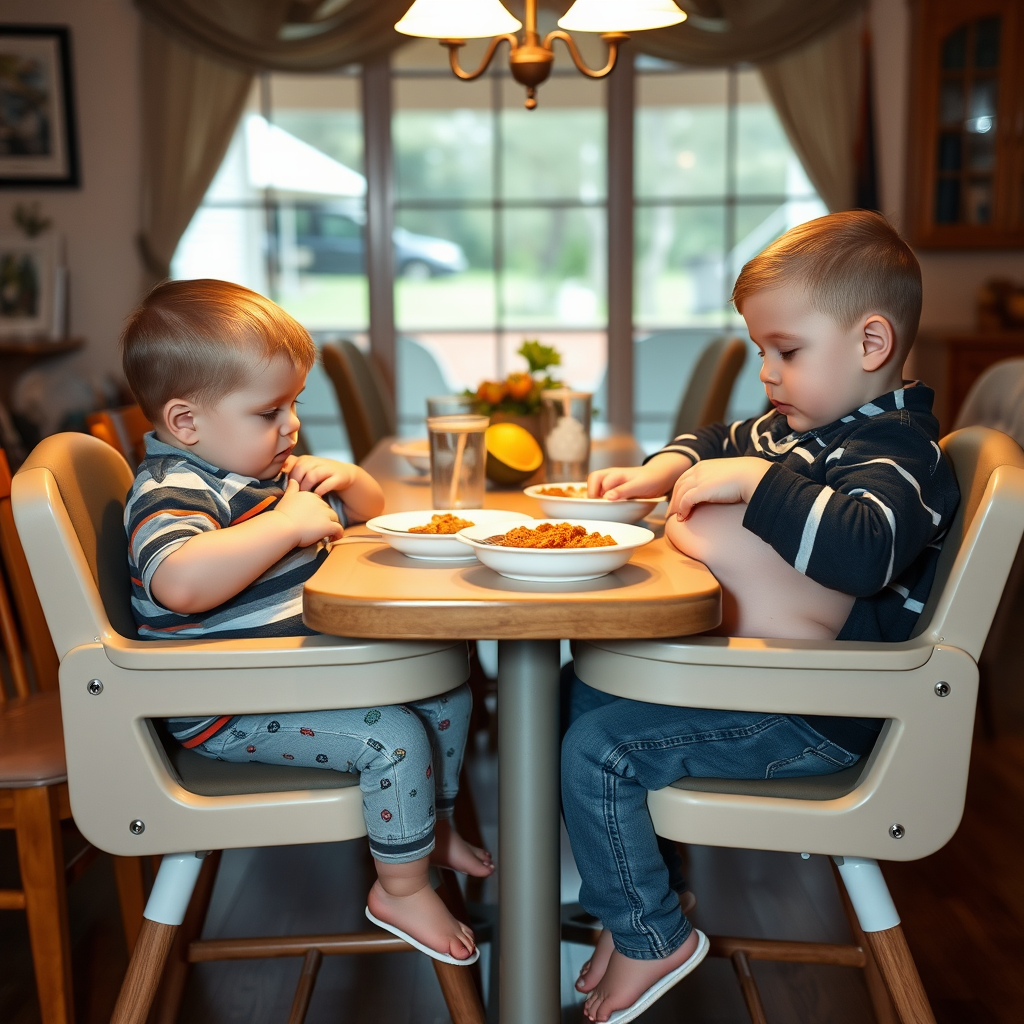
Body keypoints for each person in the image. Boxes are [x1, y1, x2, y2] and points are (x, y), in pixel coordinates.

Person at [564, 211, 960, 1022]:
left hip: (826, 711)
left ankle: (652, 934)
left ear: (871, 345)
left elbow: (863, 552)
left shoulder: (898, 450)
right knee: (576, 691)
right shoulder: (806, 427)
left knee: (598, 751)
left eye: (787, 351)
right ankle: (635, 900)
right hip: (774, 681)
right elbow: (719, 435)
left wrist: (755, 480)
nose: (769, 375)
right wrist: (675, 464)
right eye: (761, 353)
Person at [121, 279, 491, 965]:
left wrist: (348, 483)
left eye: (292, 404)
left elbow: (368, 513)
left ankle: (429, 826)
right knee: (398, 737)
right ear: (185, 423)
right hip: (228, 708)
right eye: (269, 411)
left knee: (445, 678)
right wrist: (286, 526)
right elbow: (179, 581)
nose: (290, 425)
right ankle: (401, 889)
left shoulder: (256, 472)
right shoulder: (176, 487)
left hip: (291, 683)